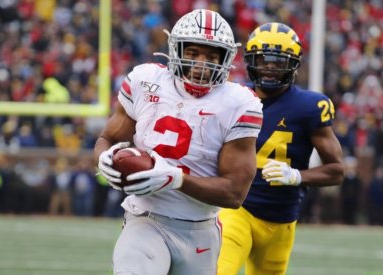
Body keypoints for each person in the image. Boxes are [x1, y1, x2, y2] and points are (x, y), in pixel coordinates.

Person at [94, 9, 263, 275]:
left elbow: (234, 193)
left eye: (211, 56)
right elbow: (108, 138)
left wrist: (175, 178)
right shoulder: (145, 81)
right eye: (193, 53)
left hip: (201, 230)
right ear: (177, 50)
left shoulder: (239, 104)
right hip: (145, 219)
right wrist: (104, 158)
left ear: (226, 59)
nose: (201, 65)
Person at [217, 22, 344, 275]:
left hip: (282, 219)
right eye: (264, 60)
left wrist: (297, 176)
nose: (270, 68)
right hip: (237, 209)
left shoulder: (309, 106)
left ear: (294, 64)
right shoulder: (233, 98)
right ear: (251, 61)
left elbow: (336, 171)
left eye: (279, 62)